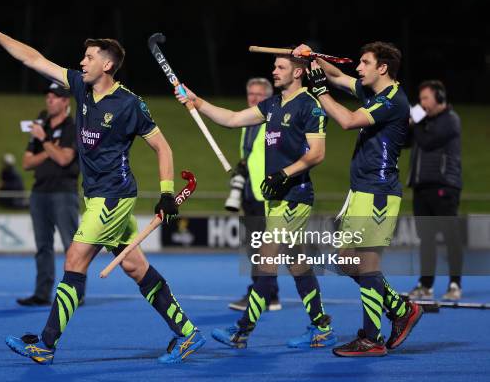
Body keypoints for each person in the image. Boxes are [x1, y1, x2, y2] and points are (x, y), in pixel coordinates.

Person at [0, 14, 205, 364]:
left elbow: (163, 148)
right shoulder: (79, 86)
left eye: (89, 58)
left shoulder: (130, 105)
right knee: (136, 268)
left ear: (107, 64)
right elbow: (33, 58)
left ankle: (46, 344)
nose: (81, 62)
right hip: (96, 197)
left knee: (74, 260)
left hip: (113, 197)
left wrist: (167, 193)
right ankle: (188, 333)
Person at [175, 52, 337, 349]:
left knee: (266, 260)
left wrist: (284, 174)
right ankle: (322, 327)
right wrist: (197, 102)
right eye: (274, 66)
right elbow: (233, 119)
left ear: (299, 71)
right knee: (297, 263)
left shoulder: (310, 105)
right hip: (275, 198)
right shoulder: (273, 105)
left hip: (294, 196)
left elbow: (317, 153)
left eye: (280, 67)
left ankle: (242, 331)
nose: (273, 71)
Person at [293, 41, 423, 357]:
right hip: (362, 191)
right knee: (346, 260)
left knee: (365, 264)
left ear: (383, 68)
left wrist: (320, 92)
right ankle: (399, 307)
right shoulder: (374, 93)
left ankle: (372, 337)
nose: (358, 68)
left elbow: (349, 121)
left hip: (377, 193)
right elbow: (337, 75)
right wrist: (314, 57)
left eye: (365, 63)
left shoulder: (393, 100)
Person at [16, 82, 82, 307]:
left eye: (55, 97)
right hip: (39, 192)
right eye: (48, 96)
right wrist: (50, 149)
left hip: (64, 192)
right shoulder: (41, 125)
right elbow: (26, 162)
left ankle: (75, 293)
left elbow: (65, 159)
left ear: (65, 102)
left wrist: (45, 142)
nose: (49, 100)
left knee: (71, 245)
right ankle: (42, 293)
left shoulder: (72, 127)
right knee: (42, 246)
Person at [228, 78, 282, 312]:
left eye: (259, 95)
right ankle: (269, 293)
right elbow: (250, 155)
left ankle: (262, 294)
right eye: (251, 94)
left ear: (269, 97)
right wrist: (241, 168)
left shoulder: (273, 121)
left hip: (266, 194)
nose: (254, 99)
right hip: (249, 193)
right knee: (254, 247)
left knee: (263, 248)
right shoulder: (248, 122)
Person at [406, 80, 463, 301]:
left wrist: (417, 119)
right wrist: (408, 124)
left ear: (439, 98)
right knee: (426, 239)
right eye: (420, 100)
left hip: (444, 186)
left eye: (425, 99)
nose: (421, 104)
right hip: (421, 186)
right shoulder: (424, 122)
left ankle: (455, 283)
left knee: (451, 238)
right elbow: (407, 141)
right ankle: (425, 284)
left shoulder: (450, 120)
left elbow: (428, 141)